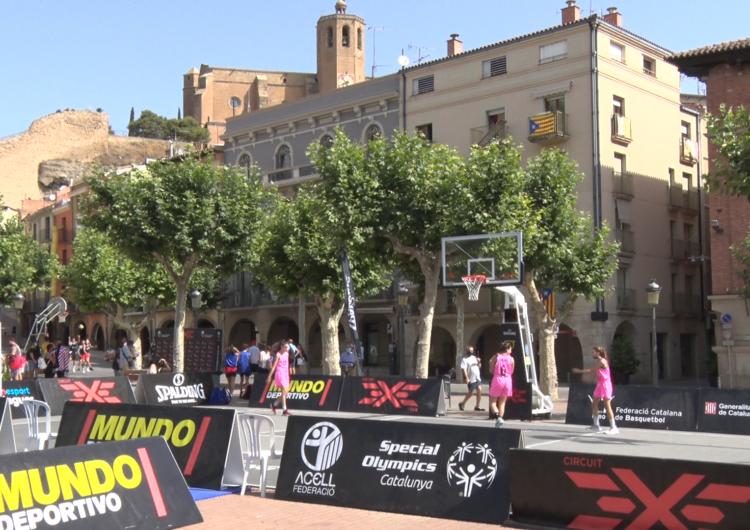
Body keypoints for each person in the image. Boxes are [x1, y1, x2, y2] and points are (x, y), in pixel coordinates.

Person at [572, 347, 618, 435]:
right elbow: (597, 374)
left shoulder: (602, 361)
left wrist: (579, 371)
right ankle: (596, 426)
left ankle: (613, 427)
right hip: (600, 385)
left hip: (605, 385)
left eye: (593, 352)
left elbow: (591, 371)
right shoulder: (598, 361)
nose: (592, 354)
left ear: (598, 353)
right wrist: (589, 378)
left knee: (607, 406)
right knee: (594, 405)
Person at [489, 342, 515, 427]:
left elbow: (491, 370)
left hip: (498, 379)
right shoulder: (511, 359)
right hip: (507, 379)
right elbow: (512, 371)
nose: (511, 350)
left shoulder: (496, 357)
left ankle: (497, 417)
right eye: (510, 348)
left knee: (493, 402)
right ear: (507, 349)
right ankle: (500, 419)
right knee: (502, 402)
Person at [268, 341, 291, 415]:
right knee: (283, 391)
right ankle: (284, 410)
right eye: (285, 347)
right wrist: (269, 376)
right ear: (281, 346)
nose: (287, 348)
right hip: (280, 373)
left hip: (285, 374)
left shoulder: (287, 354)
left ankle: (274, 405)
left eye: (287, 347)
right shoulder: (278, 355)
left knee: (285, 392)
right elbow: (274, 366)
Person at [458, 346, 485, 412]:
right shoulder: (464, 359)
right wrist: (467, 378)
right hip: (471, 378)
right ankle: (462, 403)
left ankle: (477, 406)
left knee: (479, 390)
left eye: (472, 350)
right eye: (470, 350)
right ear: (466, 351)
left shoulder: (474, 358)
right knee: (470, 393)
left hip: (477, 377)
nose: (471, 352)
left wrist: (479, 362)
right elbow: (464, 369)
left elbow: (479, 366)